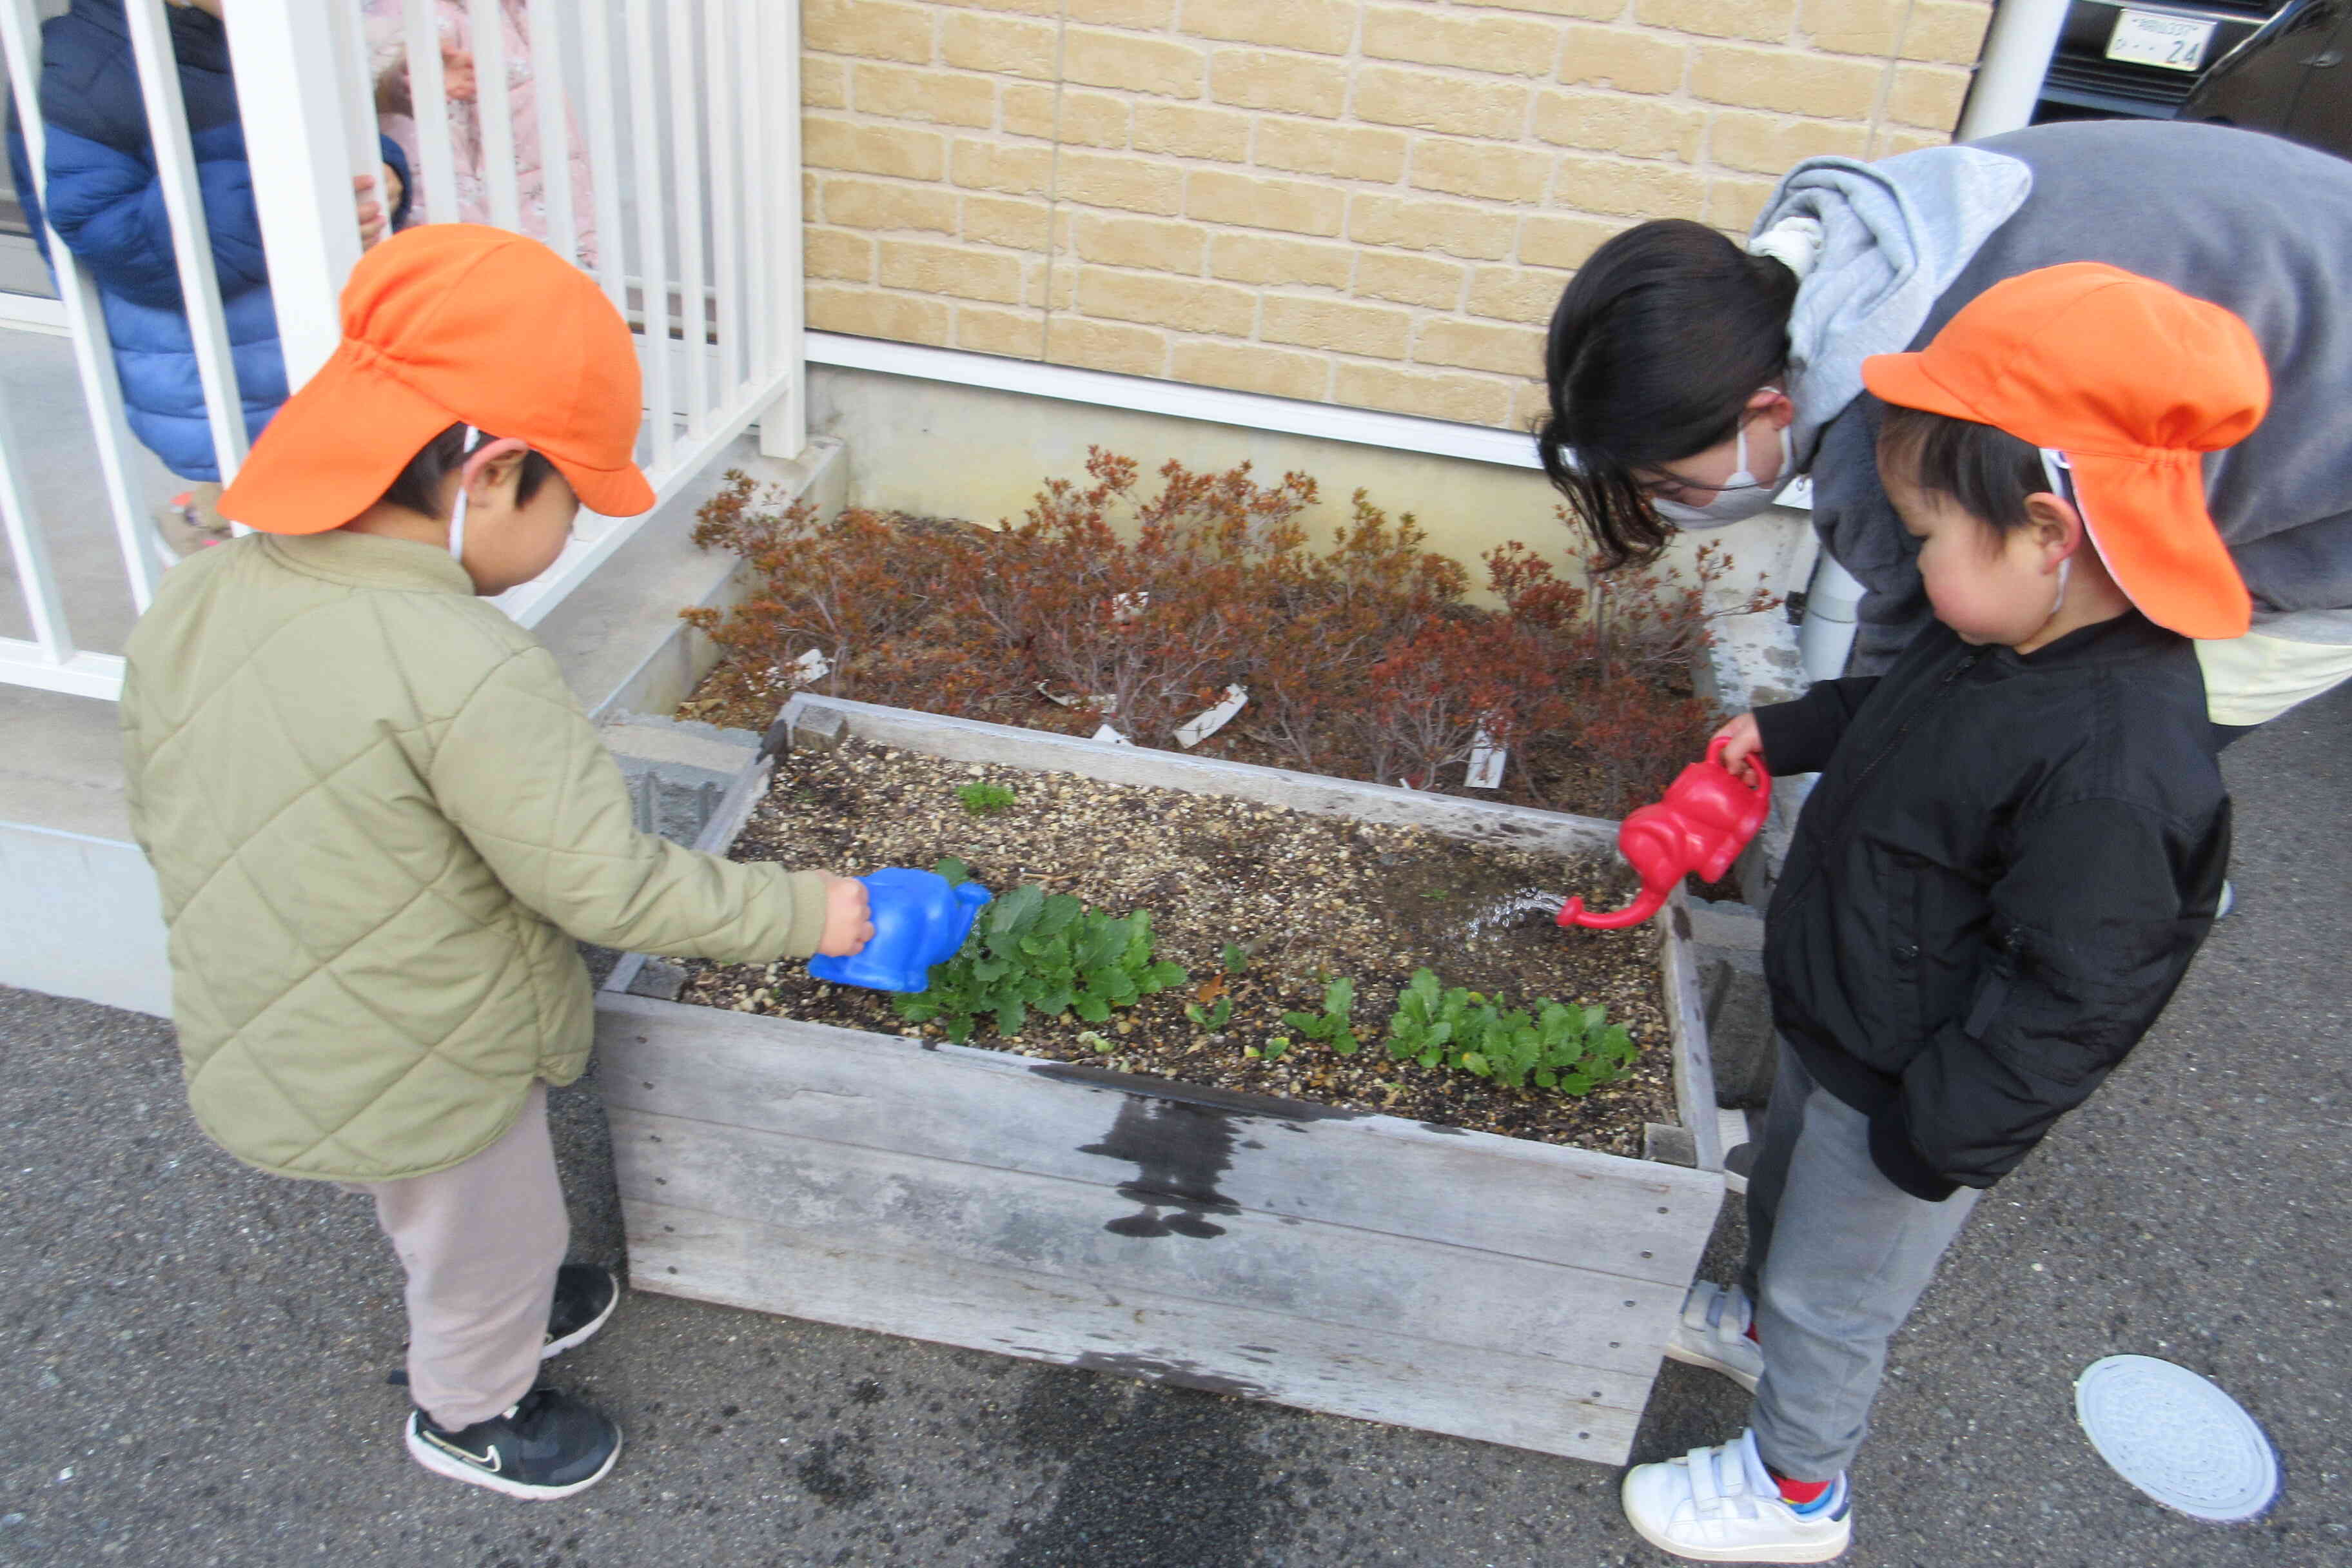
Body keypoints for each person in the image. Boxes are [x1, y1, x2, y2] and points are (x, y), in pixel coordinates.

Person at [117, 223, 875, 1499]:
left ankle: (501, 1304)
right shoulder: (463, 669)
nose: (572, 534)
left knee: (445, 1209)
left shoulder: (206, 594)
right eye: (570, 503)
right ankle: (472, 1404)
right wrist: (809, 911)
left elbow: (162, 787)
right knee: (488, 1225)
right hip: (422, 1037)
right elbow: (607, 886)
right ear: (495, 471)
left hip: (275, 995)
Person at [1616, 264, 2248, 1563]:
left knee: (1836, 1297)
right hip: (1846, 1033)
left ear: (2046, 531)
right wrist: (1784, 728)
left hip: (1913, 1092)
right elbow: (1893, 719)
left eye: (1924, 536)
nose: (1913, 561)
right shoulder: (2004, 639)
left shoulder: (2117, 767)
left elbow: (2079, 993)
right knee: (1783, 1209)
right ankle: (1756, 1329)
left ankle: (1798, 1492)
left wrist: (1933, 1137)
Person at [1538, 119, 2352, 746]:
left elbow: (1932, 678)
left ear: (1767, 406)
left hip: (2327, 469)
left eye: (1676, 485)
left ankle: (2137, 899)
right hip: (2314, 239)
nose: (1681, 509)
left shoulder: (1893, 420)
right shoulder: (1857, 253)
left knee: (2104, 736)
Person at [4, 0, 413, 552]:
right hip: (208, 353)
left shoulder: (261, 37)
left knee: (325, 476)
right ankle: (212, 540)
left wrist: (380, 174)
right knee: (263, 491)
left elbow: (334, 132)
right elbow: (108, 232)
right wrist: (271, 203)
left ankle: (224, 528)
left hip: (306, 327)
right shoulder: (90, 62)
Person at [362, 0, 597, 266]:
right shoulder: (410, 14)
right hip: (462, 219)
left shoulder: (509, 13)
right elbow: (374, 72)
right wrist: (406, 79)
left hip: (542, 209)